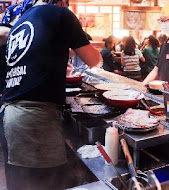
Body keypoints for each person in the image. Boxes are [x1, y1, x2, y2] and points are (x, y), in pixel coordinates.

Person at [0, 0, 101, 190]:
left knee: (20, 184)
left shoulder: (21, 21)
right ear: (63, 2)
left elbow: (39, 56)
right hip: (34, 120)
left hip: (9, 118)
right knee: (49, 184)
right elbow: (93, 59)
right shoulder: (61, 14)